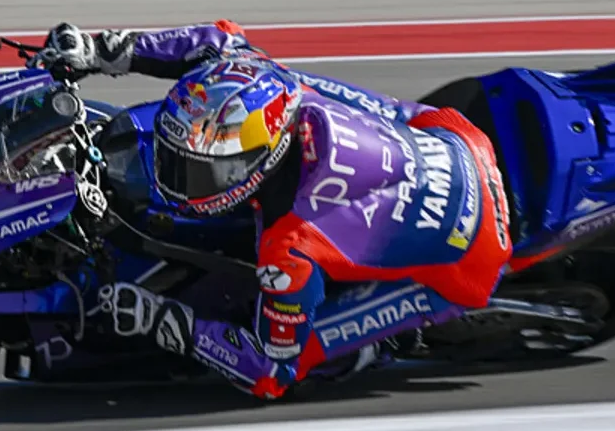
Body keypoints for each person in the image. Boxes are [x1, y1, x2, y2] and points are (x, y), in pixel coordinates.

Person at [37, 20, 513, 399]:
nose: (175, 178)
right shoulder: (254, 75)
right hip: (450, 134)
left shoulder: (289, 248)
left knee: (299, 354)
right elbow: (215, 38)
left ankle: (376, 347)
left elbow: (267, 372)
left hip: (466, 257)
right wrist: (98, 51)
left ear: (259, 162)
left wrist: (161, 320)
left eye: (200, 172)